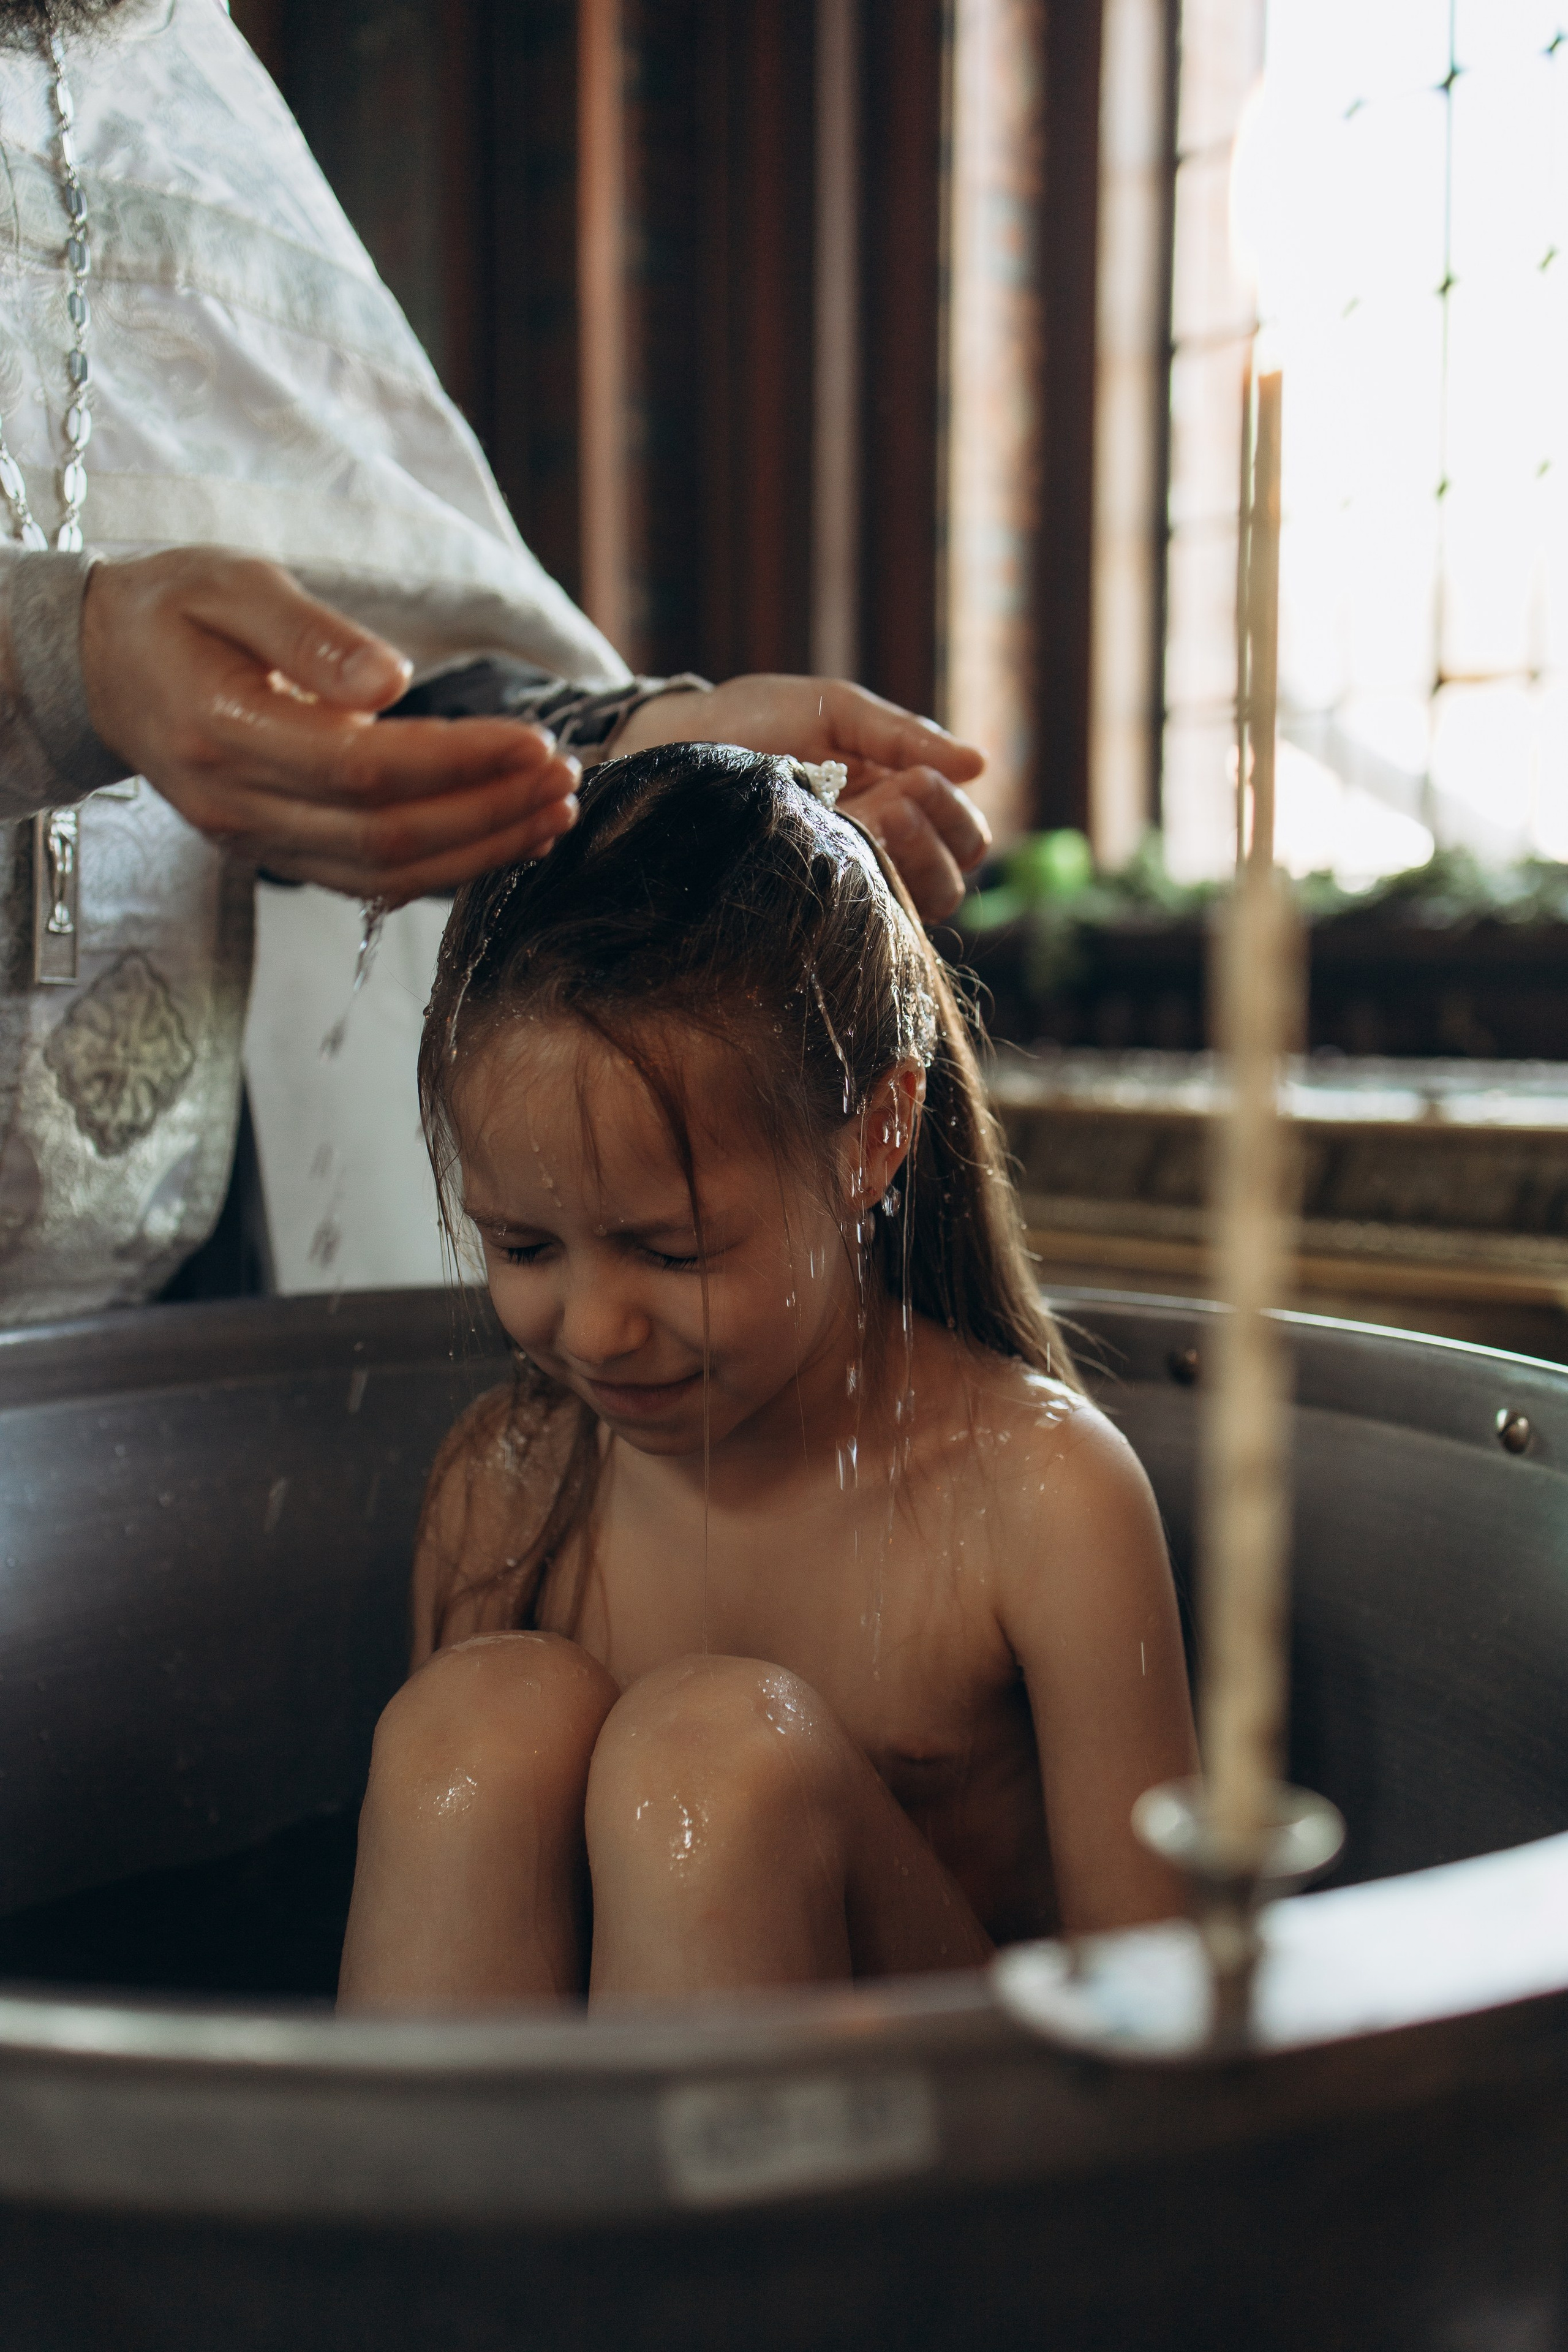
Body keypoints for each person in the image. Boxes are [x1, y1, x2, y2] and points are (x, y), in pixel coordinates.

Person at [0, 0, 988, 1319]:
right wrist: (63, 658)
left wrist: (623, 757)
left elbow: (348, 655)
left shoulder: (173, 84)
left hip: (164, 1264)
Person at [337, 746, 1196, 2008]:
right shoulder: (504, 1489)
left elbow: (1158, 2000)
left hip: (944, 2153)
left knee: (719, 1762)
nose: (593, 1328)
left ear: (873, 1140)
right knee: (475, 1727)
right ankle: (425, 2207)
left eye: (667, 1249)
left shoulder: (1038, 1498)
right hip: (547, 2144)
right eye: (523, 1245)